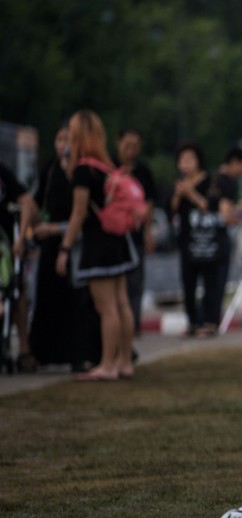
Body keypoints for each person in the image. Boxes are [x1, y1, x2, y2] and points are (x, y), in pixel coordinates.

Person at [56, 109, 140, 381]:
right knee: (122, 303)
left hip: (98, 244)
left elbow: (79, 213)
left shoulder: (83, 169)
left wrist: (65, 248)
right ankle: (125, 361)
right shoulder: (106, 167)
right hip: (118, 241)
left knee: (106, 308)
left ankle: (107, 365)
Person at [28, 125, 99, 371]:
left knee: (77, 300)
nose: (62, 145)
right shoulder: (50, 169)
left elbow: (82, 214)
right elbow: (34, 201)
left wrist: (58, 234)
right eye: (59, 139)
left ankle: (80, 353)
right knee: (47, 298)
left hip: (73, 241)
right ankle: (43, 352)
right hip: (50, 244)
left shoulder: (80, 172)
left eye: (67, 140)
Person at [170, 143, 225, 338]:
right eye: (182, 160)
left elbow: (208, 206)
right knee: (188, 283)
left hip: (208, 241)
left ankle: (209, 322)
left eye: (190, 159)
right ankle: (193, 322)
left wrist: (190, 193)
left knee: (210, 283)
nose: (186, 164)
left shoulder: (210, 181)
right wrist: (179, 193)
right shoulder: (179, 183)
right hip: (188, 241)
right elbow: (172, 210)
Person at [115, 128, 157, 337]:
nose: (130, 151)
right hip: (114, 235)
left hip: (136, 233)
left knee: (135, 282)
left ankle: (134, 325)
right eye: (127, 145)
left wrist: (149, 231)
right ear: (118, 143)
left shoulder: (143, 172)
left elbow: (149, 204)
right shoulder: (110, 169)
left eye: (135, 146)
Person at [1, 159, 37, 371]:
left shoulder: (4, 174)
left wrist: (21, 238)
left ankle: (24, 348)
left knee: (16, 292)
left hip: (5, 248)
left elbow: (27, 201)